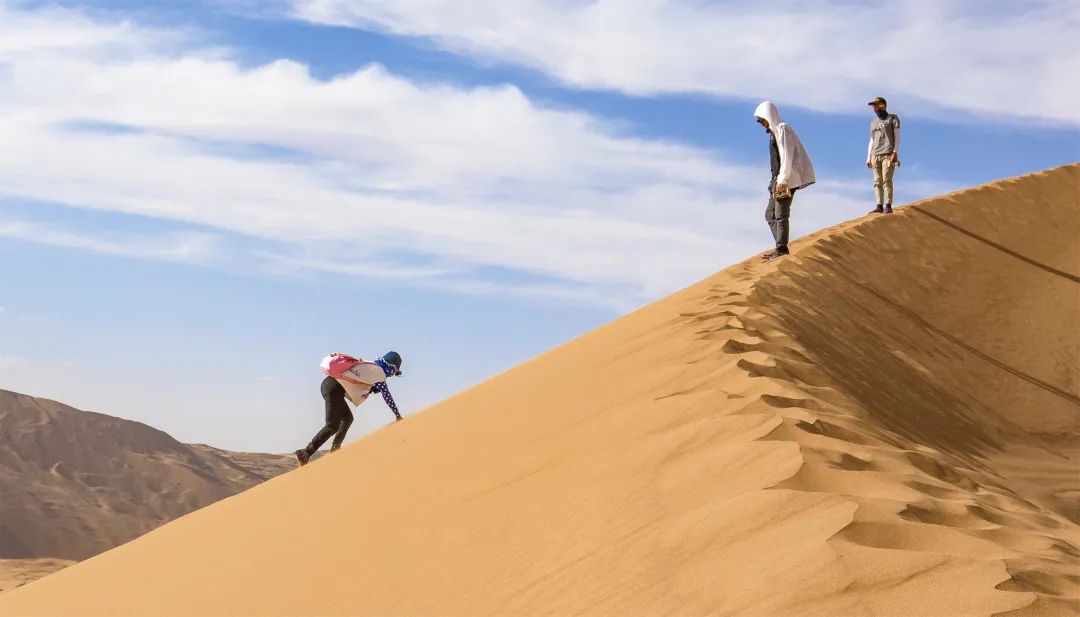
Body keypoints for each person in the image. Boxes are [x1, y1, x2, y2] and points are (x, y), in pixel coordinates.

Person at [295, 351, 403, 466]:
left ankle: (335, 449)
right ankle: (306, 452)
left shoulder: (372, 366)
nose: (392, 375)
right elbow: (387, 396)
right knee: (332, 425)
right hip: (334, 388)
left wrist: (370, 388)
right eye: (395, 372)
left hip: (332, 386)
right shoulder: (379, 373)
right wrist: (397, 415)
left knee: (347, 418)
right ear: (391, 366)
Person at [753, 101, 816, 261]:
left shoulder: (782, 129)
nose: (762, 124)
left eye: (762, 120)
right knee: (770, 214)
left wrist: (783, 179)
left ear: (768, 115)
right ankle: (780, 246)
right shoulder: (774, 132)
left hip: (786, 178)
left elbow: (787, 156)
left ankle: (781, 249)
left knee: (781, 214)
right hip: (777, 179)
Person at [866, 96, 901, 214]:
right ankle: (879, 205)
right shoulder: (873, 122)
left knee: (887, 180)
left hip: (888, 153)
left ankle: (888, 205)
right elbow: (872, 139)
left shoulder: (893, 118)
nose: (876, 108)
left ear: (884, 105)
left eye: (878, 105)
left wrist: (895, 152)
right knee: (877, 181)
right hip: (875, 154)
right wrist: (868, 157)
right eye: (874, 106)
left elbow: (897, 136)